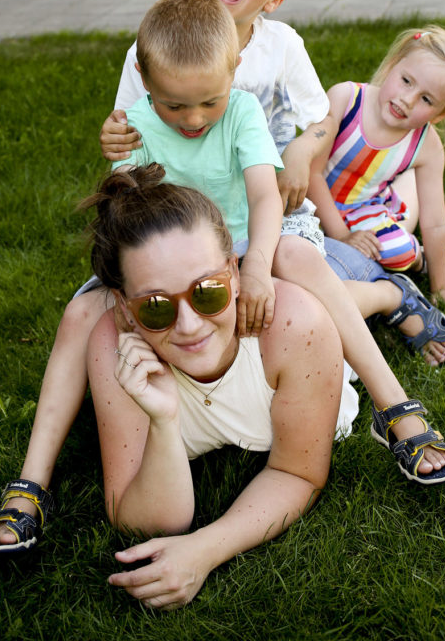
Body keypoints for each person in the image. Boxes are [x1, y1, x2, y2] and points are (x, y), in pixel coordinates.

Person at [0, 0, 445, 560]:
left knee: (302, 266)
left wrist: (286, 180)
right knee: (78, 316)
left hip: (255, 227)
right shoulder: (147, 56)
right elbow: (132, 159)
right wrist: (119, 150)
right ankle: (29, 483)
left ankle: (394, 407)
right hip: (171, 236)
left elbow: (300, 143)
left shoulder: (269, 63)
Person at [85, 164, 354, 608]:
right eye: (155, 306)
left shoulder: (294, 326)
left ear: (235, 270)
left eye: (207, 291)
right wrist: (164, 421)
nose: (189, 326)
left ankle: (390, 293)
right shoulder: (113, 348)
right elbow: (142, 519)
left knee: (348, 296)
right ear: (125, 310)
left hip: (325, 295)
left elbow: (298, 471)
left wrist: (206, 548)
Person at [308, 25, 445, 314]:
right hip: (313, 199)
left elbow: (436, 221)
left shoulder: (426, 144)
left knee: (396, 250)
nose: (408, 99)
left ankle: (421, 261)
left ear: (440, 114)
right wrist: (340, 235)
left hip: (361, 210)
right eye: (406, 81)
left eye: (426, 99)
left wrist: (441, 290)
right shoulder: (345, 99)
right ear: (392, 65)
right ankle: (420, 259)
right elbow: (312, 173)